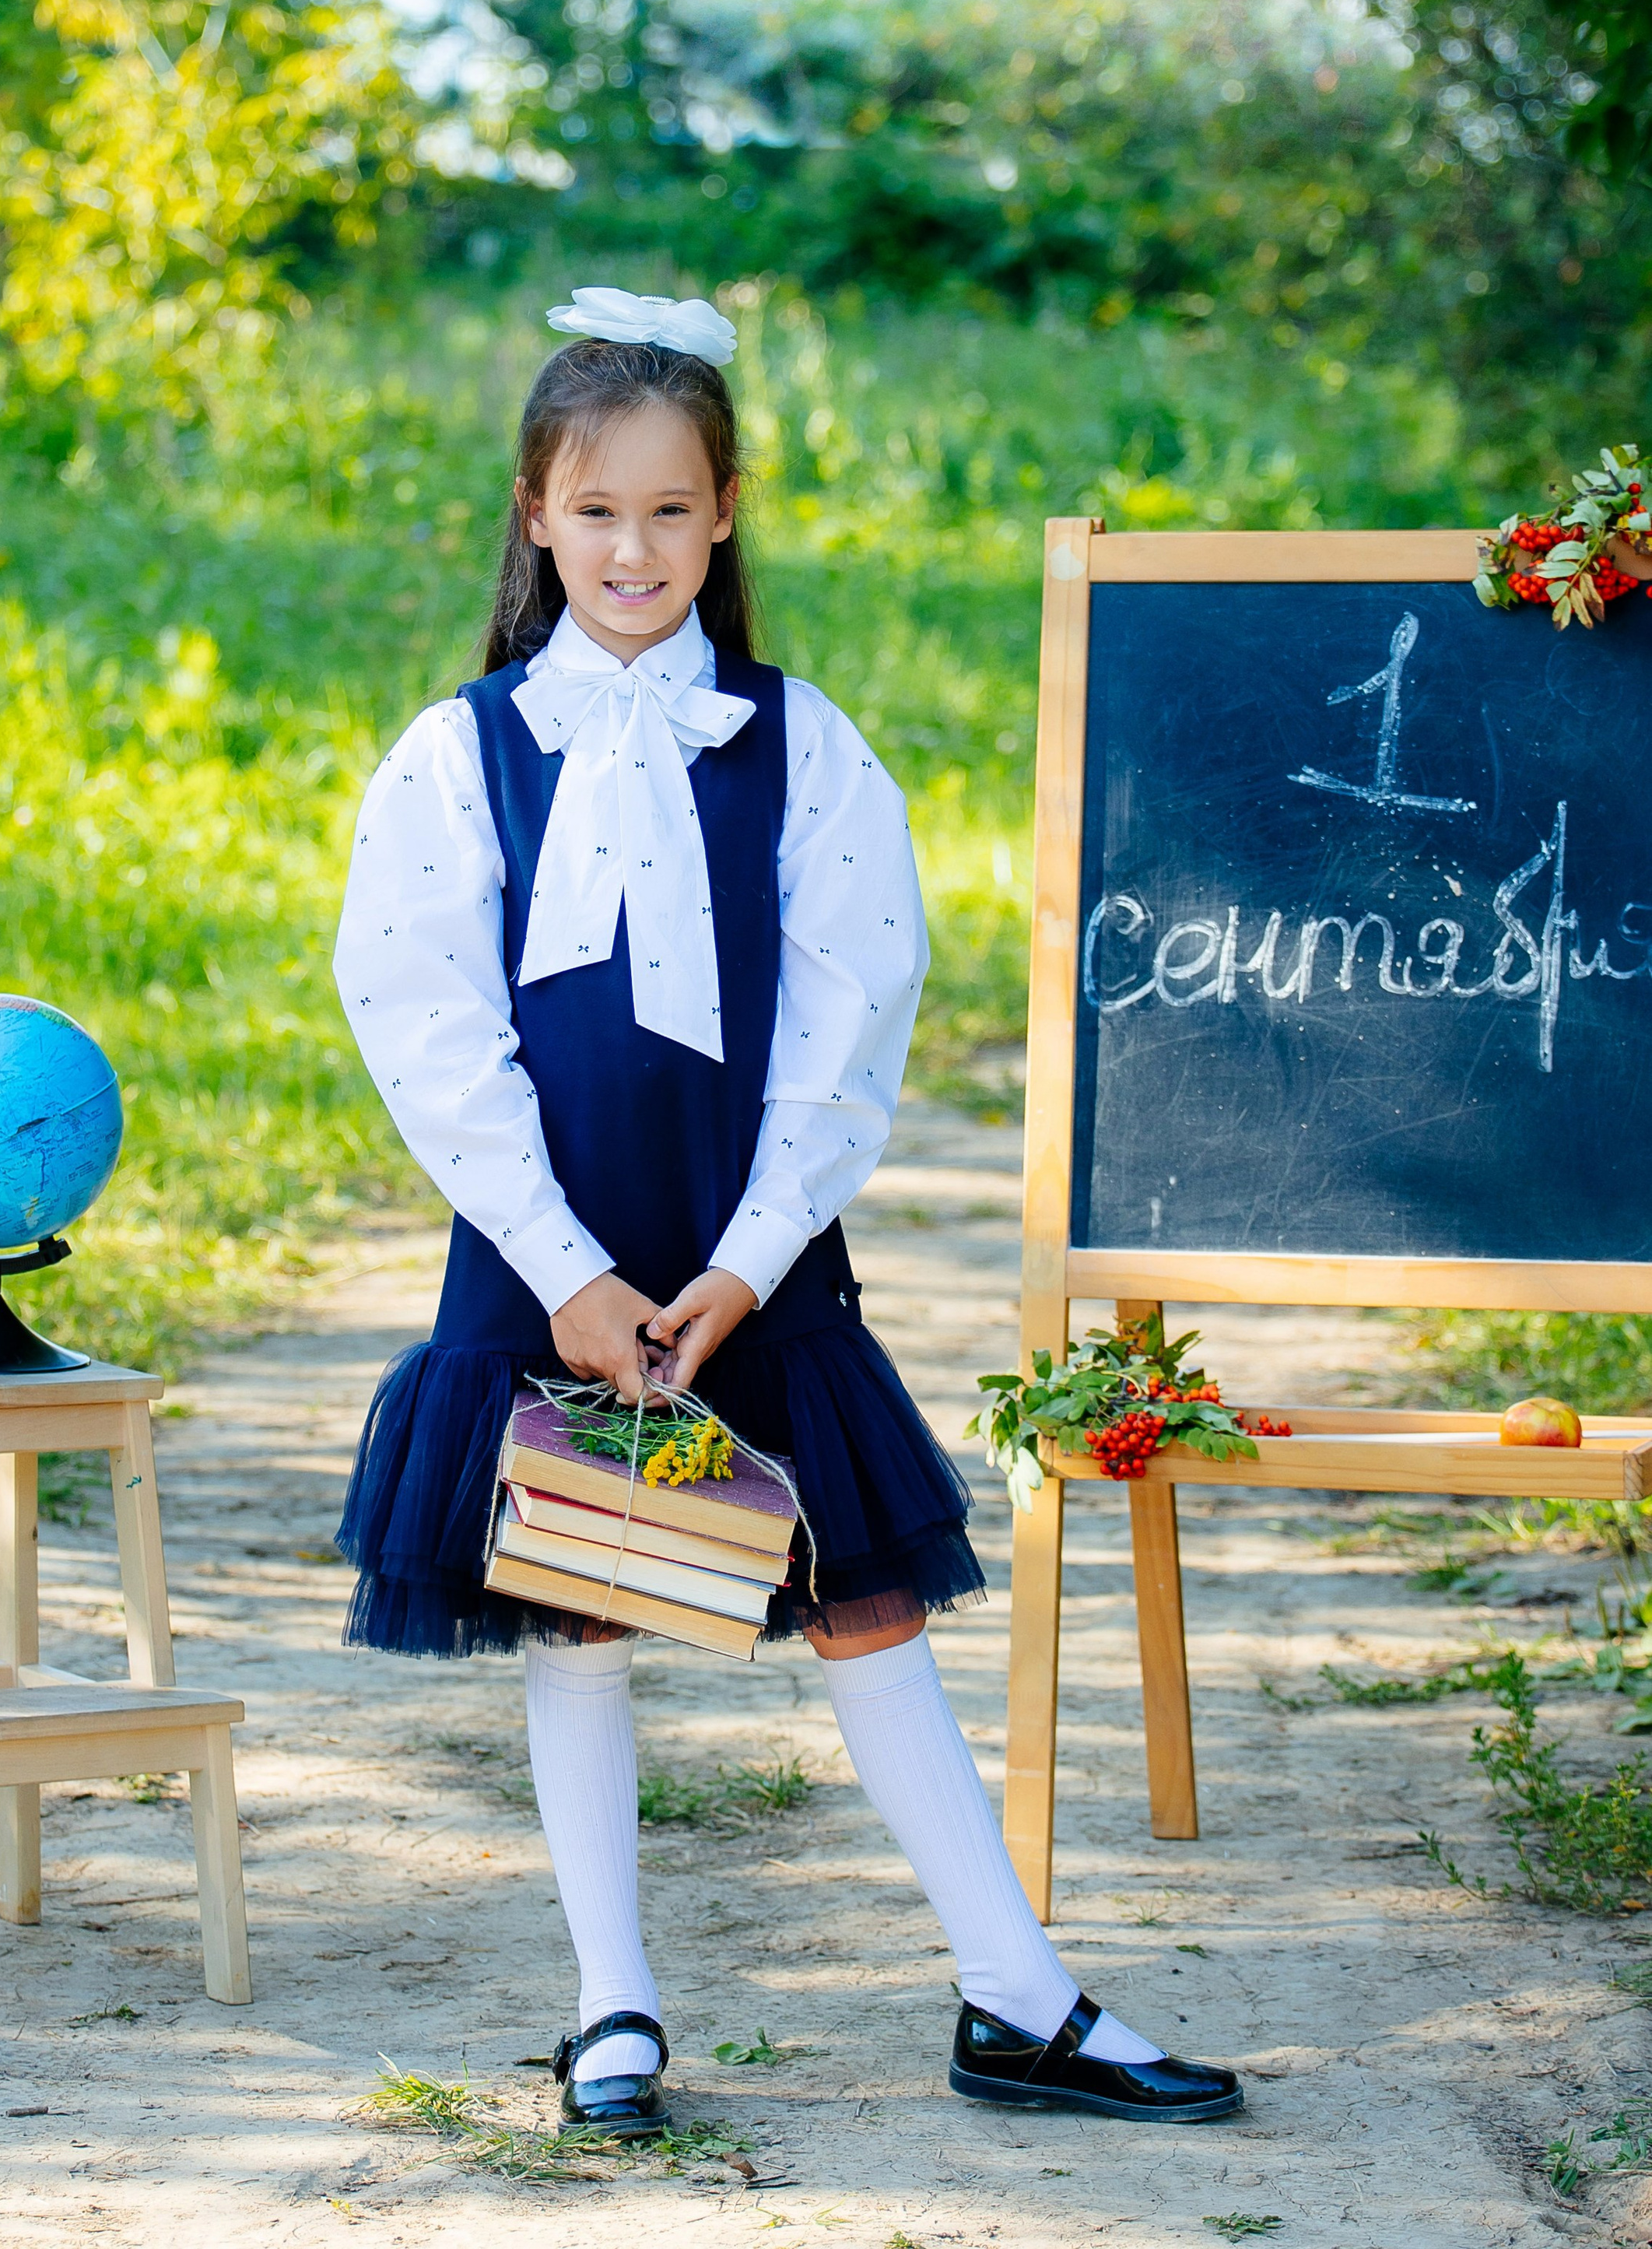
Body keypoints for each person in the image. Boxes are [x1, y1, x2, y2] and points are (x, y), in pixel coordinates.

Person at [332, 286, 1240, 2132]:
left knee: (863, 1598)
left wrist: (742, 1266)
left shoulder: (802, 743)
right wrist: (571, 1275)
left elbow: (853, 1013)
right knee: (580, 1601)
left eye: (670, 509)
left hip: (754, 1252)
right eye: (595, 510)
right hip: (549, 1256)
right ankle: (612, 2006)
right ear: (533, 513)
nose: (632, 547)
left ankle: (1016, 1994)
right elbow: (422, 1025)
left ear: (724, 511)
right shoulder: (458, 755)